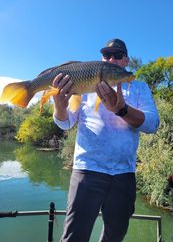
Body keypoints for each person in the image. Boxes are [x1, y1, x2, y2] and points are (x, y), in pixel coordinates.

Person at [53, 38, 160, 242]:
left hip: (124, 173)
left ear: (126, 61)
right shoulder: (84, 87)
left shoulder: (139, 88)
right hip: (87, 170)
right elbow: (65, 124)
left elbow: (153, 124)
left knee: (115, 235)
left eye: (117, 55)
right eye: (106, 55)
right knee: (74, 236)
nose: (111, 59)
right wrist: (59, 105)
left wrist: (122, 110)